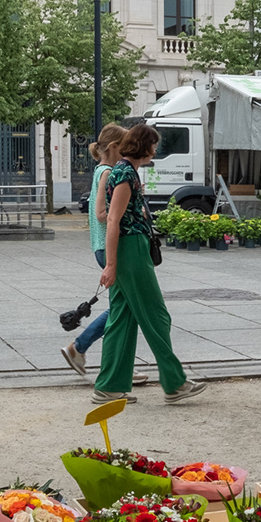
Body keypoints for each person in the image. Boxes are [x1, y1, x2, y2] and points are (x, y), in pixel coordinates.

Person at [96, 123, 206, 405]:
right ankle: (174, 382)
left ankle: (109, 386)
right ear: (144, 147)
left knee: (122, 318)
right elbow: (112, 220)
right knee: (156, 316)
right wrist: (111, 264)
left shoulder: (123, 171)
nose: (156, 150)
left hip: (128, 248)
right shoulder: (124, 173)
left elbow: (112, 218)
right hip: (131, 249)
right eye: (154, 145)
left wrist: (112, 263)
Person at [60, 126, 149, 387]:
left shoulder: (102, 170)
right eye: (124, 147)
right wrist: (130, 204)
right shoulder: (109, 171)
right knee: (124, 308)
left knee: (125, 307)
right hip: (112, 247)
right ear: (113, 148)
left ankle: (111, 361)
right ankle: (82, 349)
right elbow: (102, 213)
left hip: (103, 246)